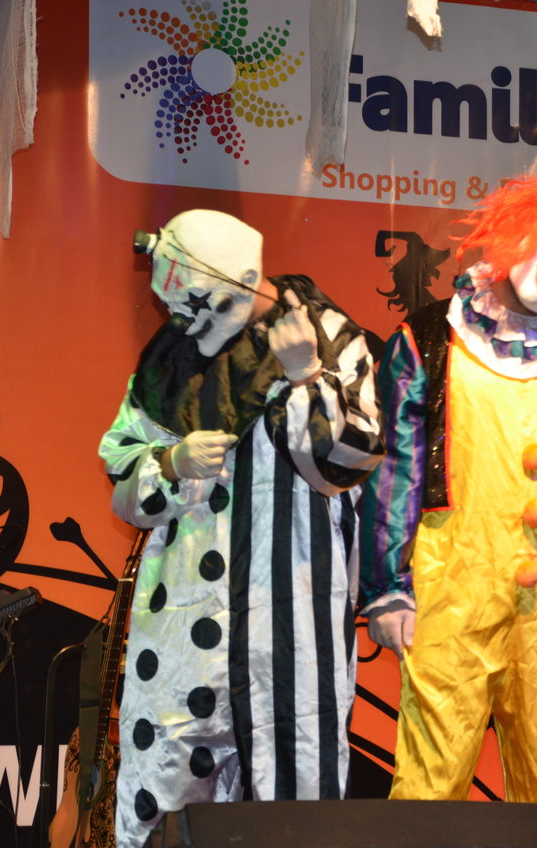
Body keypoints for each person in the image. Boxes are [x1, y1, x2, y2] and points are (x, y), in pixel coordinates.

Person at [358, 176, 537, 845]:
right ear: (526, 232)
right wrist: (386, 589)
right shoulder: (432, 339)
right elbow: (395, 470)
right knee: (429, 793)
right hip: (450, 592)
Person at [98, 209, 383, 848]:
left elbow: (349, 463)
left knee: (296, 808)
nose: (186, 323)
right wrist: (168, 463)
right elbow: (123, 488)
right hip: (182, 638)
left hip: (290, 630)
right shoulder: (167, 360)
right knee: (165, 808)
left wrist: (307, 377)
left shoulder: (332, 337)